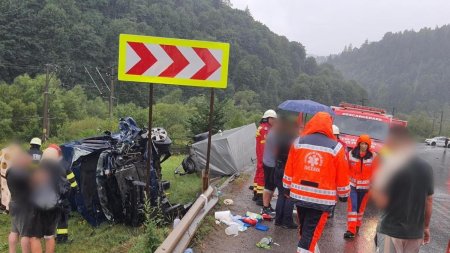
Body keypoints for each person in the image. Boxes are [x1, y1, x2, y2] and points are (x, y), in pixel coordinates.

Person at [283, 112, 350, 252]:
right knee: (311, 233)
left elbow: (289, 168)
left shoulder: (299, 142)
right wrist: (344, 195)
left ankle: (306, 249)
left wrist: (286, 188)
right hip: (321, 200)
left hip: (299, 196)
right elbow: (343, 175)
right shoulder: (336, 148)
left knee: (305, 229)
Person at [372, 126, 434, 253]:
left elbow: (379, 198)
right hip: (415, 233)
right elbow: (429, 201)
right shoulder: (427, 167)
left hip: (391, 229)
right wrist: (426, 227)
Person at [29, 145, 69, 253]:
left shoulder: (40, 167)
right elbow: (65, 187)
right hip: (54, 205)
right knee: (49, 236)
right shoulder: (60, 168)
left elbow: (32, 185)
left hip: (40, 206)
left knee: (35, 237)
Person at [344, 134, 379, 239]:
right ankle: (351, 229)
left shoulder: (373, 156)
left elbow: (376, 172)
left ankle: (357, 225)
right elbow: (346, 169)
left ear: (369, 145)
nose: (363, 146)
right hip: (352, 186)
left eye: (365, 144)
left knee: (360, 208)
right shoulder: (350, 154)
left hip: (366, 188)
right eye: (362, 143)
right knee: (353, 207)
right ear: (358, 144)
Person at [272, 115, 298, 229]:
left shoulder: (280, 138)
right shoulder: (296, 141)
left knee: (281, 195)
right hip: (288, 170)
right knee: (289, 196)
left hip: (278, 167)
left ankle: (278, 220)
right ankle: (287, 221)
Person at [6, 146, 33, 253]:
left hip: (13, 202)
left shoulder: (9, 170)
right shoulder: (23, 173)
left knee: (14, 232)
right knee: (25, 235)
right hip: (23, 206)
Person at [253, 109, 277, 206]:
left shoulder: (261, 127)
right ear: (268, 118)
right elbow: (265, 145)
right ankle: (260, 196)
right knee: (263, 174)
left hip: (260, 154)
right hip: (263, 155)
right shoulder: (266, 129)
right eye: (273, 119)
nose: (275, 121)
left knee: (259, 172)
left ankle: (256, 192)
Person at [261, 122, 278, 216]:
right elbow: (276, 151)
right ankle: (265, 207)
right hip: (270, 163)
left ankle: (267, 205)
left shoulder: (273, 132)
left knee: (271, 186)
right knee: (269, 186)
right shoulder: (274, 134)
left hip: (268, 162)